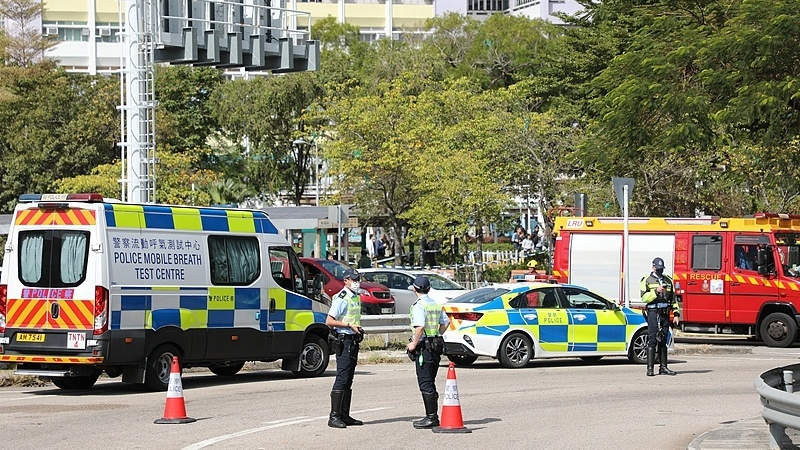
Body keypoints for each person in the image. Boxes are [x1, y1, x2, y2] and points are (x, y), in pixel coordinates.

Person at [406, 275, 450, 429]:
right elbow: (446, 322)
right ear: (429, 289)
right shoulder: (436, 304)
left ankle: (431, 417)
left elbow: (419, 327)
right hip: (435, 346)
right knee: (430, 380)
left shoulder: (419, 305)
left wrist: (413, 344)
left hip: (424, 348)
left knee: (425, 382)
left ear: (414, 288)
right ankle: (432, 415)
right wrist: (436, 334)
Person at [325, 268, 365, 428]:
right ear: (346, 281)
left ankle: (344, 414)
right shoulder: (342, 298)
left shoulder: (355, 296)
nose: (357, 282)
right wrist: (349, 325)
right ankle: (334, 416)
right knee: (342, 377)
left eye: (357, 279)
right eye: (354, 280)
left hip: (353, 339)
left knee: (349, 378)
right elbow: (329, 320)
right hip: (344, 340)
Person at [640, 257, 680, 377]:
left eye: (661, 269)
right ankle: (650, 368)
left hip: (665, 313)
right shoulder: (646, 280)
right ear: (653, 267)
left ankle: (663, 367)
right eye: (658, 269)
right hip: (653, 312)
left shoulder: (668, 280)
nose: (660, 271)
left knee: (663, 340)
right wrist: (656, 291)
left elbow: (673, 299)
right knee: (653, 340)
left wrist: (676, 314)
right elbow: (644, 298)